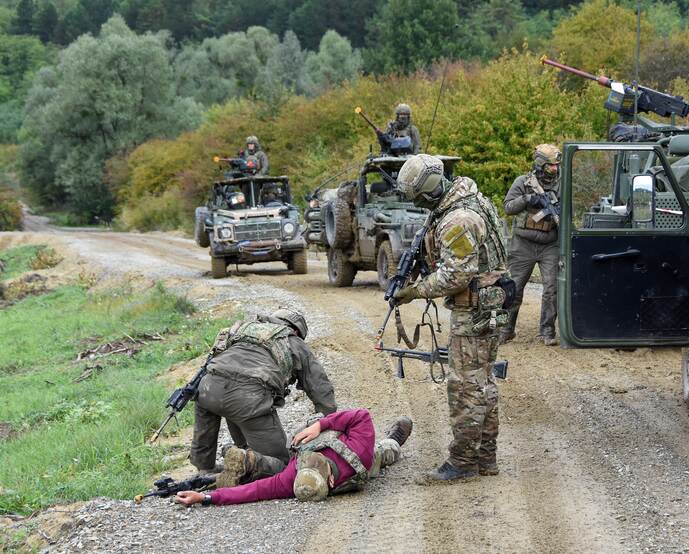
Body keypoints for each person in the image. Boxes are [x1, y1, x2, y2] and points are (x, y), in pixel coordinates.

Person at [393, 154, 511, 482]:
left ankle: (462, 463)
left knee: (466, 387)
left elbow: (455, 276)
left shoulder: (457, 218)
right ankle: (485, 459)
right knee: (483, 383)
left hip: (475, 309)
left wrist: (416, 291)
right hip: (488, 305)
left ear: (428, 192)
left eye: (417, 198)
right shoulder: (469, 198)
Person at [189, 309, 336, 486]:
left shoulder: (242, 329)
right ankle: (244, 465)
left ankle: (205, 469)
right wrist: (329, 421)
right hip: (247, 399)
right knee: (283, 465)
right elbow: (320, 387)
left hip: (207, 387)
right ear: (296, 330)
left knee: (221, 404)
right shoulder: (293, 341)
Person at [174, 409, 412, 505]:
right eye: (309, 462)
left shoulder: (290, 478)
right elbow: (361, 416)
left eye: (303, 463)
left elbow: (253, 491)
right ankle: (395, 441)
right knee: (381, 453)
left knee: (380, 453)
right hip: (363, 462)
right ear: (330, 481)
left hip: (346, 450)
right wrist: (324, 424)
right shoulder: (358, 450)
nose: (305, 459)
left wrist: (204, 497)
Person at [500, 144, 562, 346]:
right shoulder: (523, 182)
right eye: (551, 165)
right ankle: (506, 330)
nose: (555, 169)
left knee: (551, 288)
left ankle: (547, 331)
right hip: (523, 244)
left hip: (550, 244)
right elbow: (508, 207)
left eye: (556, 165)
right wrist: (529, 198)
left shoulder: (562, 184)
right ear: (541, 164)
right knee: (514, 288)